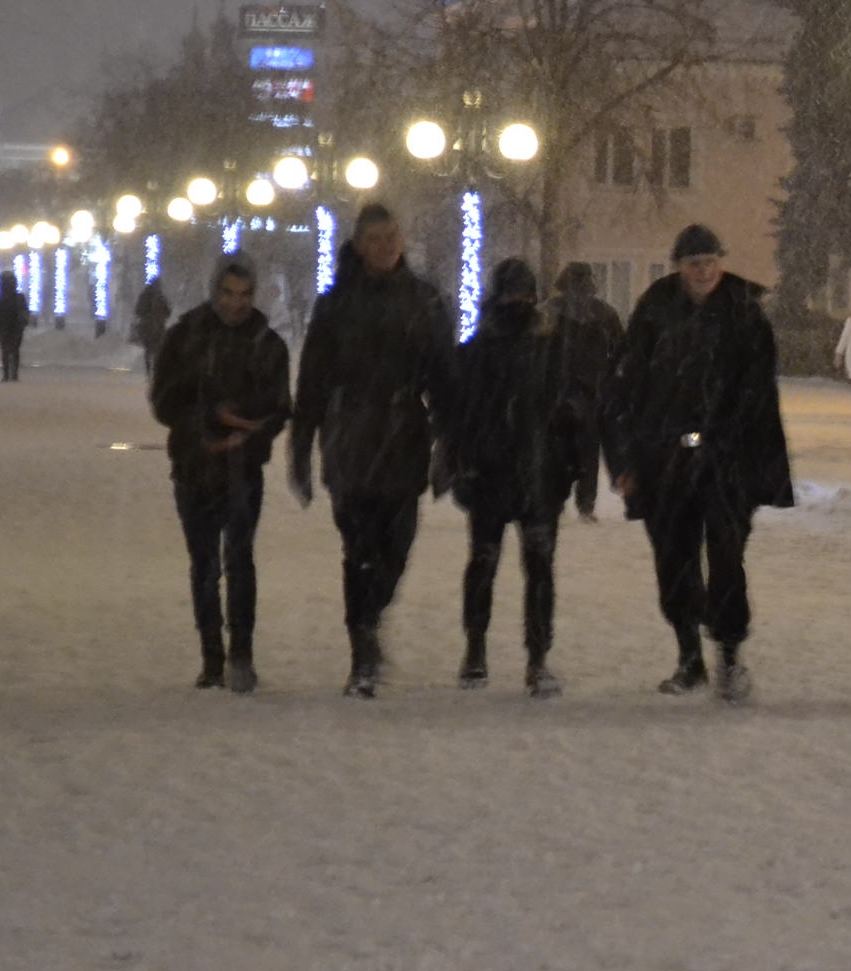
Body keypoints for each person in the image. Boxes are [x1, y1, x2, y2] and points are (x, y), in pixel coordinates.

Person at [603, 224, 793, 704]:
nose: (704, 271)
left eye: (710, 261)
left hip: (728, 460)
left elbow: (757, 393)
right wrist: (626, 458)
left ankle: (728, 656)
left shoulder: (745, 314)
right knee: (674, 557)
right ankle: (689, 656)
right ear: (679, 267)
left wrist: (733, 447)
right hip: (665, 458)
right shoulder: (655, 311)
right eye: (694, 263)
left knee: (727, 557)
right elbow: (626, 385)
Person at [289, 205, 457, 697]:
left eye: (391, 236)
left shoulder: (424, 301)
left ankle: (370, 614)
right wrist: (301, 448)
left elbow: (445, 379)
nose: (384, 246)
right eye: (374, 238)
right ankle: (362, 650)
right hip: (350, 440)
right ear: (359, 245)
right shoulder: (337, 304)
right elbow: (313, 381)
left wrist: (450, 443)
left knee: (396, 549)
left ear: (401, 240)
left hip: (404, 439)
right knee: (358, 549)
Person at [151, 259, 291, 692]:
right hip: (194, 465)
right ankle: (212, 657)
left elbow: (279, 407)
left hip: (243, 468)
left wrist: (247, 428)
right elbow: (163, 402)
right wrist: (207, 423)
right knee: (205, 564)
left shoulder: (266, 344)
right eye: (229, 294)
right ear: (215, 292)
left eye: (244, 295)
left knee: (240, 560)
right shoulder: (185, 338)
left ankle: (242, 655)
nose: (236, 304)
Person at [444, 258, 578, 698]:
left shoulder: (550, 346)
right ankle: (475, 650)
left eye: (523, 294)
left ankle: (537, 658)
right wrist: (461, 467)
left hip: (537, 476)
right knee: (484, 564)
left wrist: (567, 468)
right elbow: (459, 416)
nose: (517, 303)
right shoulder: (479, 349)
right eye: (511, 294)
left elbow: (566, 413)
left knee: (537, 568)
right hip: (490, 474)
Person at [547, 261, 624, 522]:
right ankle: (582, 503)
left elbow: (619, 354)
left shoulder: (551, 313)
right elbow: (619, 354)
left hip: (569, 391)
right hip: (585, 390)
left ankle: (564, 501)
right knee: (582, 452)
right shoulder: (603, 315)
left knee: (566, 450)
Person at [0, 271, 30, 381]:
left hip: (5, 327)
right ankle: (13, 374)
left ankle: (7, 374)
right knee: (14, 350)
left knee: (6, 350)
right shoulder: (18, 298)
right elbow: (24, 312)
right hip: (14, 327)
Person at [131, 278, 172, 363]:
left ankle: (149, 367)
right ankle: (156, 365)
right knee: (158, 347)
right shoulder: (161, 297)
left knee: (148, 348)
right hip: (159, 326)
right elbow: (168, 312)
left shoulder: (144, 295)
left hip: (146, 326)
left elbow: (137, 310)